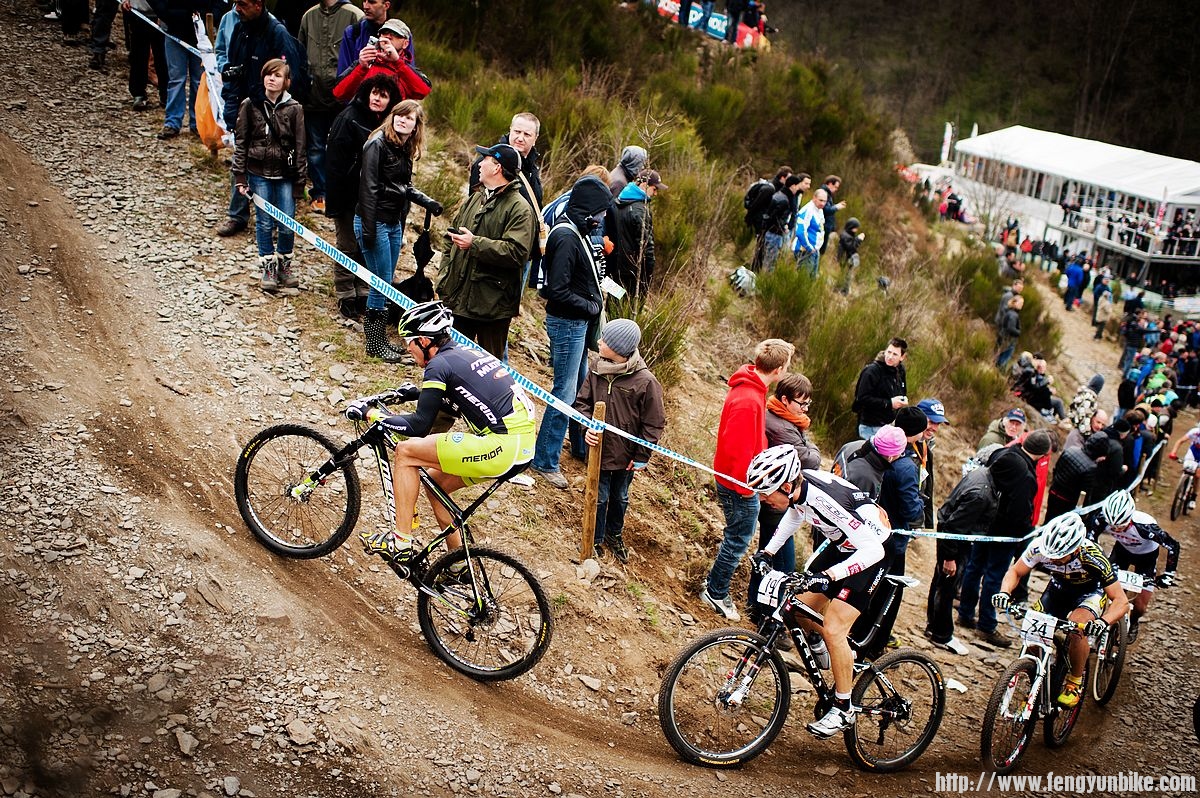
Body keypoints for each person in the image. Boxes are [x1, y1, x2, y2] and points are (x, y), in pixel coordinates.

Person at [348, 301, 536, 560]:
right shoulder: (463, 353)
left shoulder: (438, 365)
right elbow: (457, 398)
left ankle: (400, 542)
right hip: (521, 447)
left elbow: (419, 425)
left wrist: (372, 414)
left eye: (409, 342)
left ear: (424, 341)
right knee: (436, 483)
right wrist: (414, 392)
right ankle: (456, 562)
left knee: (405, 453)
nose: (407, 348)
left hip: (502, 446)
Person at [745, 445, 893, 738]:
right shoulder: (799, 489)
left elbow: (873, 549)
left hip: (872, 553)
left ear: (786, 486)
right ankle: (821, 643)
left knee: (835, 628)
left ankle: (843, 707)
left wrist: (831, 576)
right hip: (843, 546)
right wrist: (768, 551)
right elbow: (796, 513)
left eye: (766, 492)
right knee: (796, 607)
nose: (762, 498)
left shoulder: (826, 501)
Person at [699, 338, 794, 621]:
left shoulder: (754, 390)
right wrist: (747, 487)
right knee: (739, 538)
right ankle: (716, 591)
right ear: (778, 369)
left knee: (737, 535)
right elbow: (736, 447)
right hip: (738, 483)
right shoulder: (749, 398)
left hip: (740, 480)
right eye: (786, 367)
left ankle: (715, 583)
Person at [992, 513, 1129, 708]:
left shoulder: (1093, 556)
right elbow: (1015, 571)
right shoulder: (1040, 546)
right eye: (1050, 555)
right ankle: (1037, 680)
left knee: (1077, 628)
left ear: (1075, 550)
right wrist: (1005, 593)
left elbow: (1121, 601)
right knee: (1032, 635)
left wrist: (1103, 622)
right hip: (1058, 589)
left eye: (1059, 556)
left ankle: (1075, 681)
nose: (1052, 559)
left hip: (1090, 593)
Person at [529, 175, 613, 488]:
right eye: (601, 211)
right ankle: (545, 460)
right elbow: (555, 290)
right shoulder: (565, 236)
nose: (603, 217)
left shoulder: (578, 230)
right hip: (567, 324)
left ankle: (579, 447)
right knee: (564, 391)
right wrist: (590, 306)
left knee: (579, 387)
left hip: (576, 322)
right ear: (590, 208)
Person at [354, 100, 442, 361]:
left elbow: (403, 186)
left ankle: (380, 338)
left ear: (416, 126)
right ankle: (374, 342)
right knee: (379, 282)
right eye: (399, 115)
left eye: (409, 118)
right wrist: (369, 228)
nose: (403, 121)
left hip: (393, 222)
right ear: (392, 117)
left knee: (386, 279)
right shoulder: (377, 143)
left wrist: (427, 201)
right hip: (375, 220)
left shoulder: (404, 147)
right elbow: (367, 188)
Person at [574, 319, 665, 563]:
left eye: (605, 339)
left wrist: (641, 455)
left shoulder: (645, 381)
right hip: (598, 450)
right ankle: (595, 536)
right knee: (599, 496)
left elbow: (653, 422)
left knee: (620, 496)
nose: (599, 341)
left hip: (626, 457)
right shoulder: (596, 368)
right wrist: (586, 427)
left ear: (619, 349)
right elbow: (582, 403)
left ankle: (614, 534)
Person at [217, 0, 309, 237]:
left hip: (274, 111)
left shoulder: (277, 34)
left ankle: (279, 221)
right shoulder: (240, 28)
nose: (237, 8)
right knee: (241, 159)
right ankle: (237, 215)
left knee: (275, 164)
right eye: (236, 3)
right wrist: (230, 108)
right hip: (245, 108)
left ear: (259, 4)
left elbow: (292, 77)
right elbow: (233, 72)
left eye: (243, 4)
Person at [438, 143, 536, 359]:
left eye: (486, 160)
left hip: (492, 307)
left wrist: (475, 244)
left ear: (497, 168)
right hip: (458, 299)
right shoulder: (476, 197)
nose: (480, 164)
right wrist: (444, 276)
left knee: (490, 369)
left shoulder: (520, 209)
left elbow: (517, 252)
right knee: (449, 362)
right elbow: (450, 238)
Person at [958, 429, 1052, 648]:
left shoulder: (1004, 454)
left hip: (984, 524)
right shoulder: (1026, 476)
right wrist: (1023, 536)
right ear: (1042, 454)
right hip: (1004, 533)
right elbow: (1020, 512)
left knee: (974, 568)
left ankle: (965, 613)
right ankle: (987, 625)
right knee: (994, 577)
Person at [746, 373, 821, 621]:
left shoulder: (788, 420)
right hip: (777, 501)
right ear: (786, 399)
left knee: (767, 554)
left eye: (808, 404)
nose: (805, 409)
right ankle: (768, 615)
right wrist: (813, 450)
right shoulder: (781, 426)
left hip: (779, 497)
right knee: (783, 564)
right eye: (802, 403)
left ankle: (757, 607)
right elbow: (810, 458)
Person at [324, 74, 399, 320]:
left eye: (384, 96)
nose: (377, 99)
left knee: (368, 246)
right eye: (374, 93)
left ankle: (364, 292)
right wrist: (335, 203)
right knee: (347, 246)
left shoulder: (390, 128)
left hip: (374, 201)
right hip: (347, 198)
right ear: (367, 93)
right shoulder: (348, 119)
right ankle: (346, 294)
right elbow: (334, 166)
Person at [232, 59, 307, 294]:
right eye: (268, 74)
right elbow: (241, 142)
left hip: (285, 174)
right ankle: (268, 266)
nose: (271, 79)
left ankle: (285, 264)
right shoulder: (250, 104)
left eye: (277, 75)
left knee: (287, 222)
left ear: (287, 81)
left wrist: (299, 181)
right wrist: (240, 177)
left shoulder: (295, 108)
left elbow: (301, 146)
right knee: (264, 223)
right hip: (258, 173)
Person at [1083, 490, 1179, 642]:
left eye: (1121, 526)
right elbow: (1089, 540)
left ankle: (1134, 622)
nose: (1116, 529)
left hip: (1146, 558)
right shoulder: (1101, 518)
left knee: (1140, 606)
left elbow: (1173, 546)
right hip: (1121, 552)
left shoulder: (1145, 527)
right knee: (1110, 591)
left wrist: (1169, 574)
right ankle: (1102, 621)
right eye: (1112, 526)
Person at [297, 0, 363, 213]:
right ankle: (320, 194)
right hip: (313, 96)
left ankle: (341, 195)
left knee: (342, 149)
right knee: (315, 148)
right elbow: (300, 52)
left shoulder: (355, 16)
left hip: (343, 100)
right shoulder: (309, 15)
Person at [331, 18, 430, 104]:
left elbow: (422, 92)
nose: (388, 37)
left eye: (395, 34)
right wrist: (361, 68)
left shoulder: (405, 68)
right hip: (363, 121)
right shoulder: (365, 62)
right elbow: (339, 93)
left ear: (405, 43)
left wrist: (397, 62)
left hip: (391, 122)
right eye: (384, 33)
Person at [612, 168, 666, 297]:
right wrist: (647, 277)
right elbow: (647, 248)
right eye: (654, 189)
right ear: (644, 185)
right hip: (632, 275)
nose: (656, 194)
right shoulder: (640, 211)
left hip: (614, 271)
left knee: (613, 307)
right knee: (628, 312)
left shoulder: (618, 202)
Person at [157, 0, 207, 139]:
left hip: (201, 31)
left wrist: (211, 14)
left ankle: (198, 123)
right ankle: (172, 123)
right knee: (176, 79)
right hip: (174, 30)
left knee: (199, 81)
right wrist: (167, 14)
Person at [851, 337, 908, 440]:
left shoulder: (900, 370)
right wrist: (889, 403)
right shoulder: (872, 371)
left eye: (895, 354)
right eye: (889, 352)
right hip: (869, 427)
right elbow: (861, 398)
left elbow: (903, 391)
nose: (890, 357)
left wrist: (902, 400)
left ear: (902, 357)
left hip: (889, 427)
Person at [1044, 432, 1110, 519]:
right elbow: (1085, 493)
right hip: (1067, 502)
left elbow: (1056, 469)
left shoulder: (1070, 449)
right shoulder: (1091, 467)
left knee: (1048, 519)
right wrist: (1084, 511)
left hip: (1054, 492)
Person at [121, 0, 168, 111]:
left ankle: (166, 94)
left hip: (161, 14)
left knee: (163, 57)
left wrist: (167, 12)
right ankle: (138, 94)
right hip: (137, 11)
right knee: (138, 55)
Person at [791, 187, 827, 276]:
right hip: (805, 250)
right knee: (804, 279)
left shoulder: (819, 210)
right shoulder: (807, 210)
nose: (823, 203)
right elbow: (800, 231)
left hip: (815, 249)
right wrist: (809, 247)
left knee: (813, 278)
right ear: (814, 198)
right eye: (820, 200)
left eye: (825, 201)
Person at [1167, 422, 1200, 511]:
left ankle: (1193, 497)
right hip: (1193, 452)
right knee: (1187, 468)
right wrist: (1173, 452)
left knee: (1197, 475)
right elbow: (1180, 441)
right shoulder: (1195, 432)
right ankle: (1184, 482)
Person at [836, 217, 864, 294]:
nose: (857, 230)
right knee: (846, 275)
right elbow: (851, 247)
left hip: (845, 258)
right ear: (851, 227)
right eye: (855, 228)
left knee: (845, 274)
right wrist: (859, 239)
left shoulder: (847, 234)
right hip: (845, 259)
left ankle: (840, 288)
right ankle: (844, 290)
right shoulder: (845, 236)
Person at [818, 175, 845, 257]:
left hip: (827, 227)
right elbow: (825, 210)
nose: (836, 190)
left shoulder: (828, 194)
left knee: (822, 251)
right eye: (835, 187)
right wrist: (836, 207)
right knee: (819, 250)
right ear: (830, 184)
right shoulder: (823, 193)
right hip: (823, 226)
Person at [995, 294, 1023, 370]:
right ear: (1014, 303)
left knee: (999, 356)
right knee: (1002, 360)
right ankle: (997, 373)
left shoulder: (1010, 312)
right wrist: (1019, 332)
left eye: (1022, 304)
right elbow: (1011, 328)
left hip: (1004, 338)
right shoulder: (1013, 315)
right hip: (1008, 340)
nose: (1021, 305)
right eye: (1020, 303)